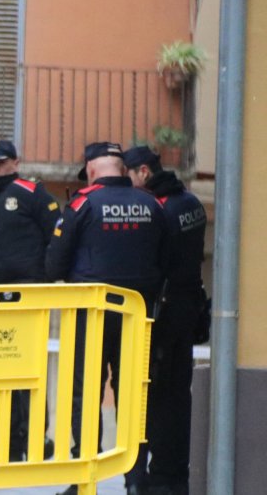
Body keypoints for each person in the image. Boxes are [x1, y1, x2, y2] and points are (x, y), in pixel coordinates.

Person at [46, 142, 171, 495]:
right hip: (139, 317)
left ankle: (85, 480)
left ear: (90, 169)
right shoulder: (151, 205)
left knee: (85, 395)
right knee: (134, 396)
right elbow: (165, 260)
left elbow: (53, 264)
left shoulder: (82, 204)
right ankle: (135, 481)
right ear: (121, 168)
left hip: (91, 316)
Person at [0, 139, 60, 462]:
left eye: (0, 162)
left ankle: (36, 438)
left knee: (30, 366)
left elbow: (54, 238)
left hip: (28, 292)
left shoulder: (32, 195)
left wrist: (45, 280)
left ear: (15, 163)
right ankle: (4, 440)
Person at [124, 146, 207, 495]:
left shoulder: (157, 210)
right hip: (188, 310)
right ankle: (174, 475)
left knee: (154, 398)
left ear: (143, 172)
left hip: (164, 313)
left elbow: (150, 264)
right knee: (178, 395)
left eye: (129, 176)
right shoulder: (190, 202)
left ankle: (155, 477)